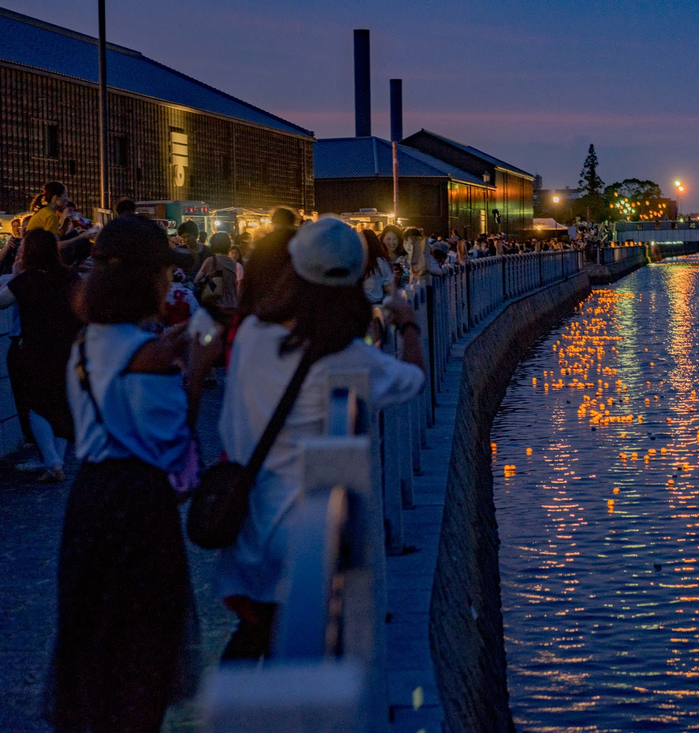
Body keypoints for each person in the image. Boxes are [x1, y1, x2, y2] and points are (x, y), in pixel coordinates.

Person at [215, 216, 426, 660]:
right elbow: (413, 381)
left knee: (256, 646)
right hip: (310, 539)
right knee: (299, 659)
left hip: (248, 526)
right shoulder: (344, 356)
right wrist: (407, 323)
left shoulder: (252, 335)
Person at [49, 215, 223, 732]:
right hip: (136, 508)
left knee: (96, 647)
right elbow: (173, 451)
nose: (171, 280)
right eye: (166, 270)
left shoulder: (86, 343)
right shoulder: (146, 354)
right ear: (147, 277)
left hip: (90, 499)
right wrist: (196, 365)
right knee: (142, 650)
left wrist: (169, 350)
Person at [0, 229, 81, 482]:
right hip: (69, 349)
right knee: (61, 405)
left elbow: (1, 302)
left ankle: (52, 461)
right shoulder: (70, 276)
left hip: (35, 350)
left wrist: (13, 277)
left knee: (36, 405)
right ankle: (54, 462)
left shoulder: (27, 280)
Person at [194, 231, 240, 315]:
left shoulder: (210, 261)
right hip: (233, 305)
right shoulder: (234, 263)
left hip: (217, 306)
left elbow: (196, 281)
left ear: (212, 245)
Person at [360, 229, 393, 304]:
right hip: (376, 303)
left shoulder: (355, 261)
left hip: (363, 304)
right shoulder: (381, 261)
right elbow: (388, 285)